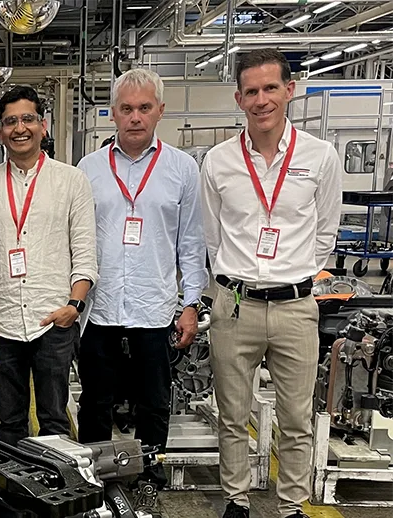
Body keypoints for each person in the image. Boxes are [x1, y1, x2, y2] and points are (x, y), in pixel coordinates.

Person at [200, 49, 342, 518]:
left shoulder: (320, 157)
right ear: (239, 98)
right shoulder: (219, 161)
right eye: (252, 92)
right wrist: (237, 278)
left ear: (290, 90)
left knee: (298, 418)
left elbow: (325, 234)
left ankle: (290, 506)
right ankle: (236, 500)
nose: (262, 100)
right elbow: (212, 235)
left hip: (296, 306)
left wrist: (289, 274)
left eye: (271, 88)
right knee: (231, 414)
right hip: (234, 303)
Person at [75, 68, 207, 488]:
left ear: (160, 111)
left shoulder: (182, 169)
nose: (135, 117)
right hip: (101, 305)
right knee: (96, 401)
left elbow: (191, 242)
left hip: (155, 306)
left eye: (144, 108)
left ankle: (149, 474)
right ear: (112, 113)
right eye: (127, 108)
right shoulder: (88, 168)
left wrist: (191, 304)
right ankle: (95, 475)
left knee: (154, 402)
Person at [0, 86, 98, 446]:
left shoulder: (71, 181)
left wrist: (74, 307)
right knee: (10, 423)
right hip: (1, 325)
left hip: (53, 320)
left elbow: (85, 253)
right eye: (10, 122)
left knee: (55, 419)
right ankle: (14, 499)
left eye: (27, 119)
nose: (19, 128)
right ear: (1, 130)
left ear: (43, 125)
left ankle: (59, 498)